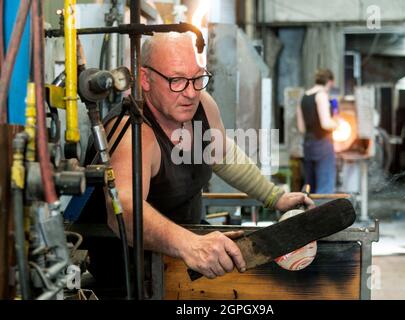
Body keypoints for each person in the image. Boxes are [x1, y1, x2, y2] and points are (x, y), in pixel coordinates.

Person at [80, 32, 314, 285]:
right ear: (146, 79)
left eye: (197, 78)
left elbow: (222, 154)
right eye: (178, 80)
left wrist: (275, 197)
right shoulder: (133, 132)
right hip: (133, 274)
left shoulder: (202, 105)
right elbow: (122, 211)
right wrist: (189, 245)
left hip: (187, 254)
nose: (191, 92)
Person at [296, 69, 338, 194]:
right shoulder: (322, 95)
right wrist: (337, 124)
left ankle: (311, 213)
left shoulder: (303, 97)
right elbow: (326, 123)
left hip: (308, 145)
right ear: (330, 82)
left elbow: (301, 128)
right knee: (325, 188)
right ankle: (323, 213)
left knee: (310, 188)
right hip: (322, 144)